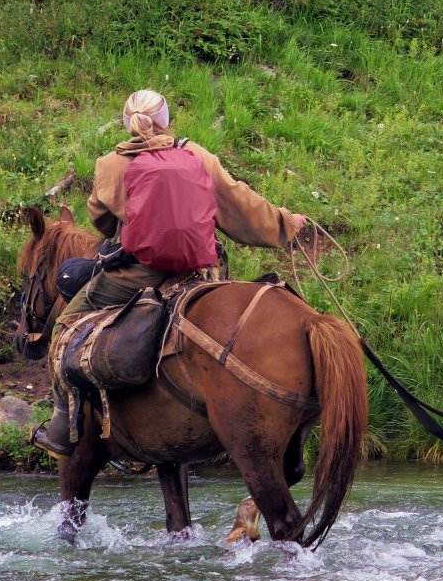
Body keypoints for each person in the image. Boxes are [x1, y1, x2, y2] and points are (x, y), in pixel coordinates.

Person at [34, 89, 308, 458]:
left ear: (126, 123)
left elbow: (100, 217)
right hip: (200, 270)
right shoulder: (197, 155)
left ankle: (63, 428)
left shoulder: (111, 164)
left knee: (66, 325)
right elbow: (241, 207)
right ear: (168, 121)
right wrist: (286, 223)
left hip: (138, 273)